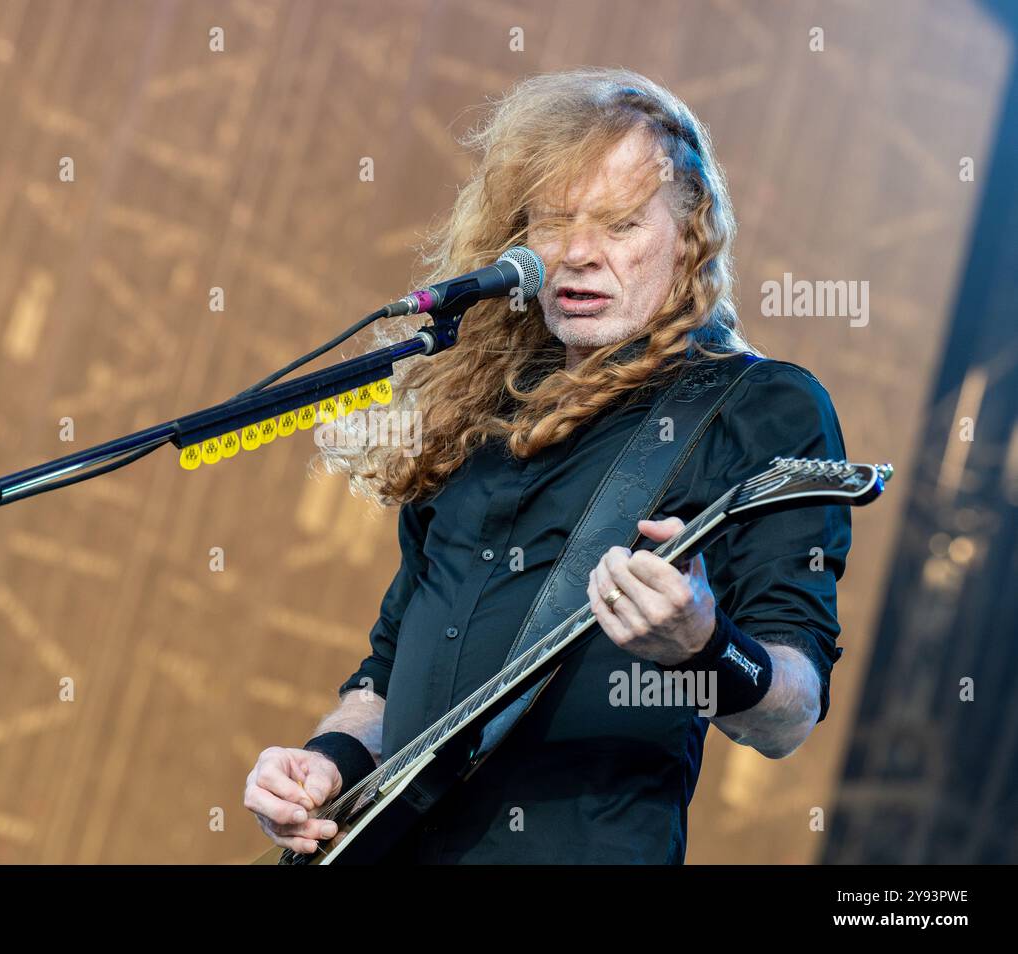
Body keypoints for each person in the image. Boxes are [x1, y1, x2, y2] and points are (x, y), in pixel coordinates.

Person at [244, 68, 849, 863]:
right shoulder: (473, 410)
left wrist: (703, 645)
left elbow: (789, 715)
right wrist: (322, 765)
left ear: (690, 235)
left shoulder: (760, 409)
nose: (578, 255)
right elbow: (387, 679)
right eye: (554, 223)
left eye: (621, 224)